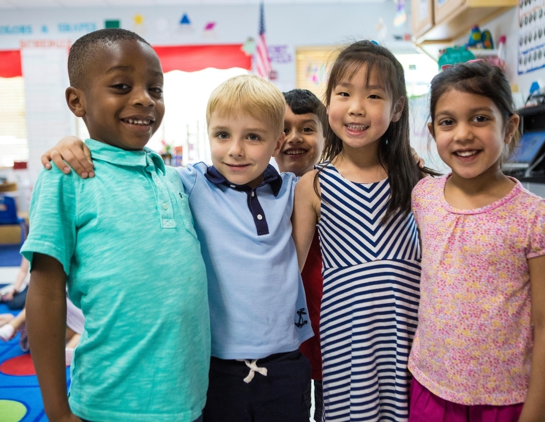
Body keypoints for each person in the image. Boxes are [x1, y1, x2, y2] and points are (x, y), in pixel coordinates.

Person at [41, 74, 314, 422]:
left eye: (253, 137)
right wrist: (72, 142)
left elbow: (342, 173)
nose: (235, 149)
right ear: (209, 135)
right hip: (214, 363)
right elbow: (130, 167)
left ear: (277, 143)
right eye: (222, 135)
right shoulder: (187, 182)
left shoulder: (295, 189)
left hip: (285, 359)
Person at [22, 28, 210, 422]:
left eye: (155, 90)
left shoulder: (172, 177)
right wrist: (57, 412)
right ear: (77, 101)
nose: (144, 98)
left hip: (187, 399)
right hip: (110, 403)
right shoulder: (66, 174)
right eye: (122, 86)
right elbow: (45, 295)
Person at [292, 40, 436, 421]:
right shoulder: (314, 184)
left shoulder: (418, 181)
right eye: (344, 93)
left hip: (411, 336)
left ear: (397, 108)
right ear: (329, 103)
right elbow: (286, 272)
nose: (356, 107)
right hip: (346, 341)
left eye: (373, 95)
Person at [408, 61, 545, 422]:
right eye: (448, 122)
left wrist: (535, 413)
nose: (462, 134)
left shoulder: (538, 217)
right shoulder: (424, 196)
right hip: (431, 389)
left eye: (479, 118)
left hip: (509, 400)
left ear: (509, 126)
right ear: (432, 130)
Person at [278, 89, 326, 422]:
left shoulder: (338, 186)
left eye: (307, 128)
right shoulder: (256, 188)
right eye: (284, 129)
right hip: (283, 334)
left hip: (331, 328)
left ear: (327, 135)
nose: (294, 138)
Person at [0, 296, 84, 364]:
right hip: (56, 333)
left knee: (41, 297)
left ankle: (11, 326)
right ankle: (69, 349)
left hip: (43, 337)